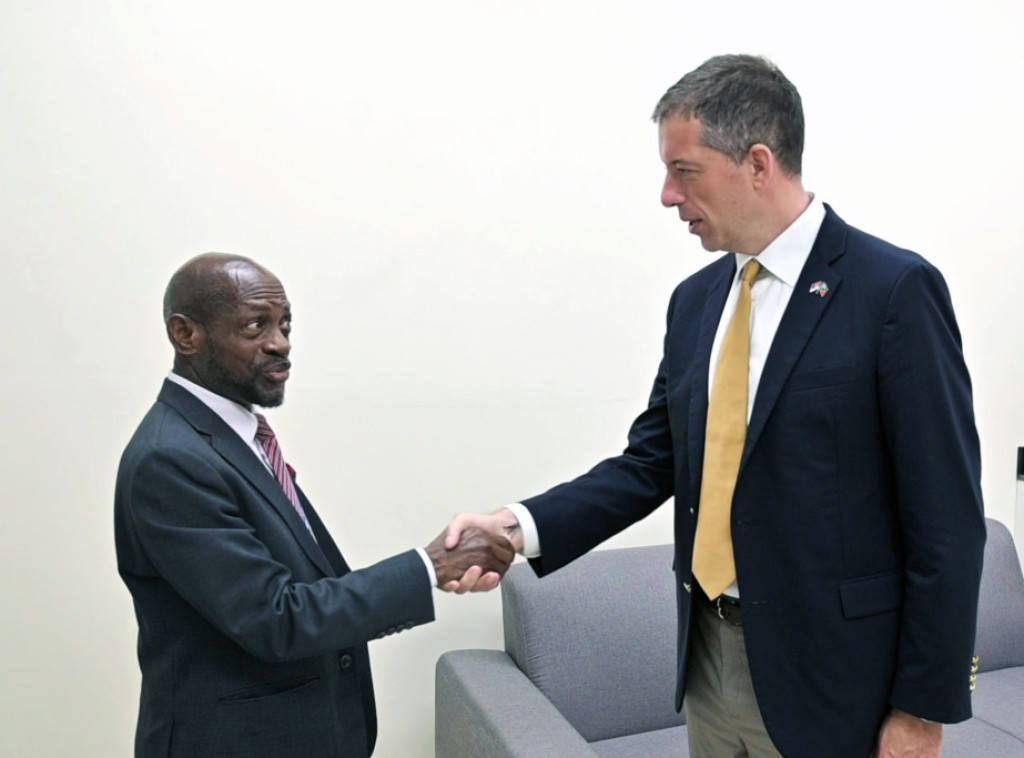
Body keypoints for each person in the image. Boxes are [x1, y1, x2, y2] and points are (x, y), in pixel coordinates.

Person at [446, 55, 985, 758]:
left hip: (836, 678)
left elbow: (946, 519)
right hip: (706, 657)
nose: (668, 196)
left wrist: (922, 709)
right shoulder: (695, 301)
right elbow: (650, 463)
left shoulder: (893, 291)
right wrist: (517, 528)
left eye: (685, 171)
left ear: (758, 164)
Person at [114, 253, 514, 758]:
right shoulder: (170, 460)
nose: (280, 343)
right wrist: (428, 567)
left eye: (285, 324)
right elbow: (276, 618)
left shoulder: (234, 439)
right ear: (185, 334)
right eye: (256, 325)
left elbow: (304, 587)